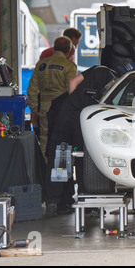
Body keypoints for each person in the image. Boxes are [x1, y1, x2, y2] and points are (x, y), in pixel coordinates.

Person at [44, 65, 118, 216]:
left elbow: (72, 82)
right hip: (85, 119)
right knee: (86, 159)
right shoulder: (115, 80)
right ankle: (88, 205)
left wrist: (74, 103)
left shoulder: (97, 69)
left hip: (66, 114)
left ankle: (55, 202)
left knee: (59, 156)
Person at [27, 36, 77, 158]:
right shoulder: (69, 66)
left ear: (54, 48)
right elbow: (72, 92)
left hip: (44, 107)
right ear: (69, 50)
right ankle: (61, 171)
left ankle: (45, 172)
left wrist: (34, 110)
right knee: (63, 140)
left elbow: (32, 89)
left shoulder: (41, 64)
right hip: (62, 109)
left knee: (44, 139)